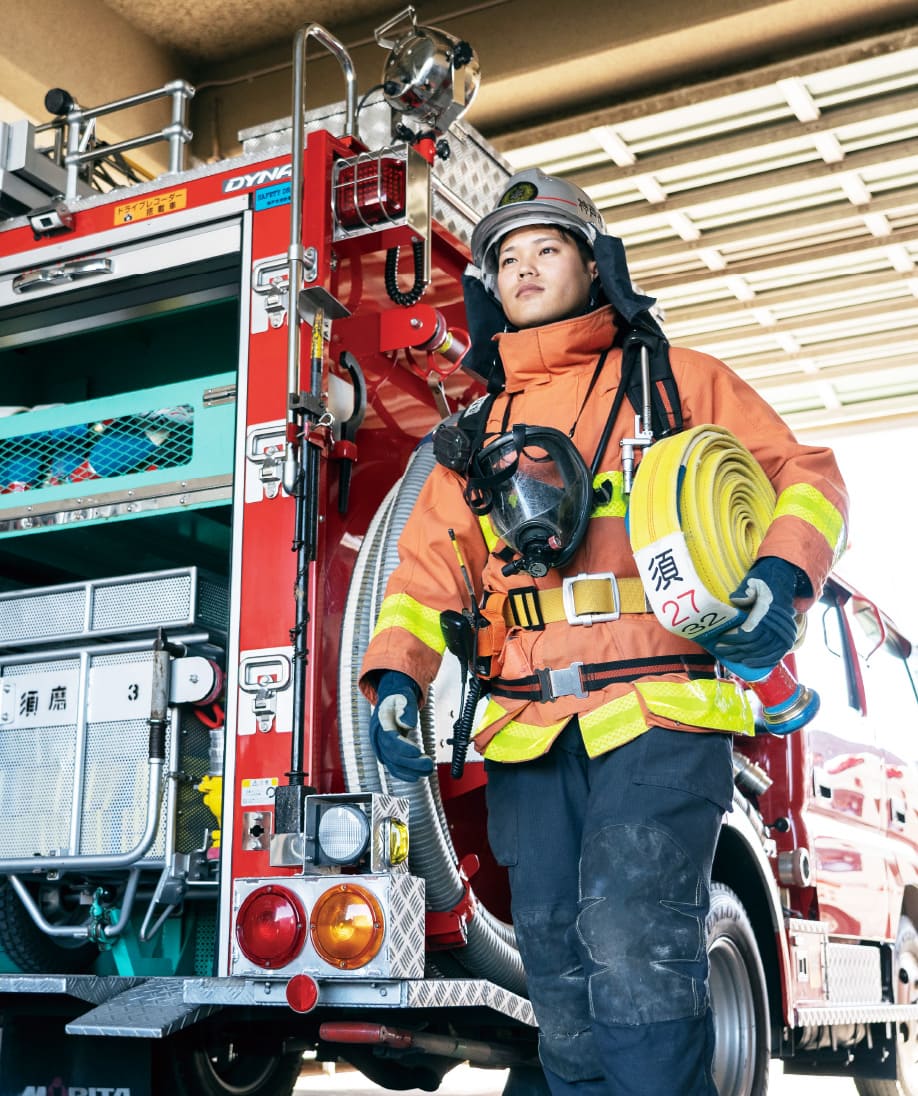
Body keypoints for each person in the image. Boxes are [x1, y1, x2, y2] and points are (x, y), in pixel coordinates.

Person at [359, 167, 848, 1095]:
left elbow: (807, 476)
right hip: (527, 733)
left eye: (548, 249)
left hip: (658, 714)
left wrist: (782, 576)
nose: (525, 268)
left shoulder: (675, 383)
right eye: (507, 258)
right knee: (559, 974)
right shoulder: (476, 434)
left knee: (636, 947)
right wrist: (396, 678)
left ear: (595, 268)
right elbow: (425, 576)